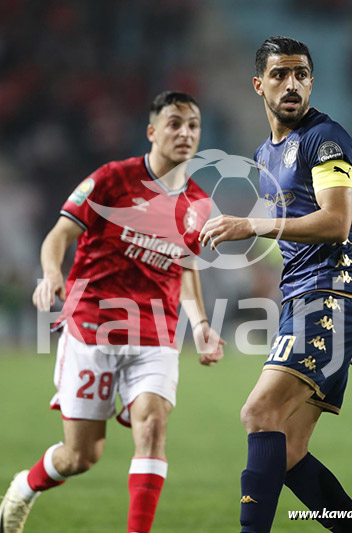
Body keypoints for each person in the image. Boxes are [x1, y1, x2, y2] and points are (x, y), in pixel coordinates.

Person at [0, 90, 224, 533]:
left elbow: (185, 268)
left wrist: (200, 324)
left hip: (155, 334)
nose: (185, 133)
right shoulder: (112, 179)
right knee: (81, 456)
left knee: (153, 427)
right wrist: (51, 274)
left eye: (193, 125)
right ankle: (25, 486)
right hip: (93, 328)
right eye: (175, 123)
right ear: (152, 131)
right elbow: (59, 235)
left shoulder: (199, 204)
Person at [200, 37, 352, 532]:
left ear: (312, 82)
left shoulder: (326, 139)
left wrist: (251, 225)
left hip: (330, 293)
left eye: (301, 74)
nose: (292, 84)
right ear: (259, 85)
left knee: (259, 413)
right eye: (280, 74)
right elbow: (299, 238)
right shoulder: (266, 153)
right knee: (290, 450)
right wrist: (341, 329)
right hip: (315, 301)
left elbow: (336, 222)